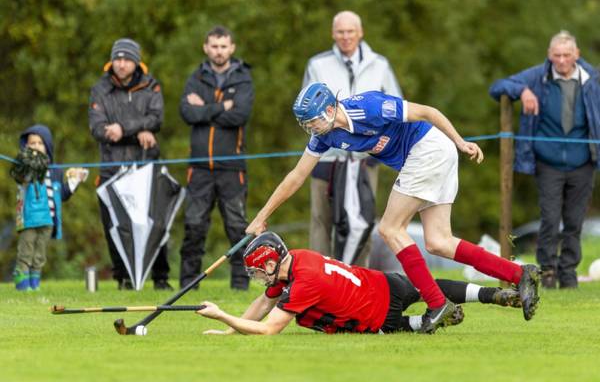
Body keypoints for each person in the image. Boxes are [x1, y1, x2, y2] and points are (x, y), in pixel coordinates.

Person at [245, 83, 541, 332]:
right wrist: (262, 217)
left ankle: (437, 303)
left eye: (312, 121)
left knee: (389, 228)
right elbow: (297, 176)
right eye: (305, 123)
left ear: (330, 109)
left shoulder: (369, 106)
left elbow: (427, 112)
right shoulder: (324, 137)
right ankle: (519, 273)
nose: (310, 128)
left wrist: (460, 142)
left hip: (429, 148)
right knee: (439, 242)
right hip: (426, 156)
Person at [196, 232, 523, 335]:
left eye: (256, 271)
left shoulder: (302, 284)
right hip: (384, 282)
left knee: (309, 317)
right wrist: (231, 332)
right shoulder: (296, 257)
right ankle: (492, 293)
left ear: (269, 263)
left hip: (380, 314)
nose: (256, 278)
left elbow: (269, 328)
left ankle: (424, 322)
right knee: (431, 288)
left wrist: (223, 316)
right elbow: (264, 303)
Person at [489, 31, 600, 289]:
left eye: (567, 55)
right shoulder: (537, 77)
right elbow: (497, 87)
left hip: (583, 161)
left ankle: (569, 273)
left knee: (574, 220)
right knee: (550, 218)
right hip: (547, 162)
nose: (561, 61)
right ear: (550, 55)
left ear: (577, 55)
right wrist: (523, 90)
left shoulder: (592, 79)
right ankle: (547, 271)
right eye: (556, 55)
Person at [302, 11, 402, 264]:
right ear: (333, 33)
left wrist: (378, 148)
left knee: (363, 220)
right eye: (340, 31)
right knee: (321, 221)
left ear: (360, 32)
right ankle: (319, 280)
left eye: (350, 31)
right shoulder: (317, 65)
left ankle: (358, 281)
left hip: (366, 157)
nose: (346, 37)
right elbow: (308, 111)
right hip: (326, 156)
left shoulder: (380, 65)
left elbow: (396, 106)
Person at [89, 38, 172, 291]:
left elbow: (156, 120)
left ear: (136, 62)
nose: (121, 64)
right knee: (115, 226)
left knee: (154, 222)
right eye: (118, 59)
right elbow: (98, 128)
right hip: (111, 167)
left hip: (146, 164)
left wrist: (124, 128)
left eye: (127, 59)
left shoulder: (151, 86)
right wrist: (139, 129)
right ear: (111, 61)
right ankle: (123, 278)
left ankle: (160, 278)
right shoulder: (99, 89)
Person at [179, 26, 254, 290]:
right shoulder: (195, 77)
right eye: (214, 46)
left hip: (232, 168)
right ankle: (188, 284)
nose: (219, 51)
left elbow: (240, 115)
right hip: (199, 167)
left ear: (231, 48)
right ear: (205, 47)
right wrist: (222, 107)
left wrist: (206, 109)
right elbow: (188, 113)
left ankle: (241, 284)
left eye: (223, 46)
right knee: (194, 226)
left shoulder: (243, 78)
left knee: (237, 227)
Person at [12, 124, 87, 291]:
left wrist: (75, 180)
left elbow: (62, 195)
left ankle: (34, 283)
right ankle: (22, 284)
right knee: (26, 251)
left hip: (48, 220)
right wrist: (26, 165)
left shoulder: (56, 171)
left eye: (40, 143)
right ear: (26, 146)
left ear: (47, 146)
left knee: (39, 254)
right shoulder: (24, 166)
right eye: (32, 143)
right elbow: (20, 178)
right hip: (30, 219)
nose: (36, 146)